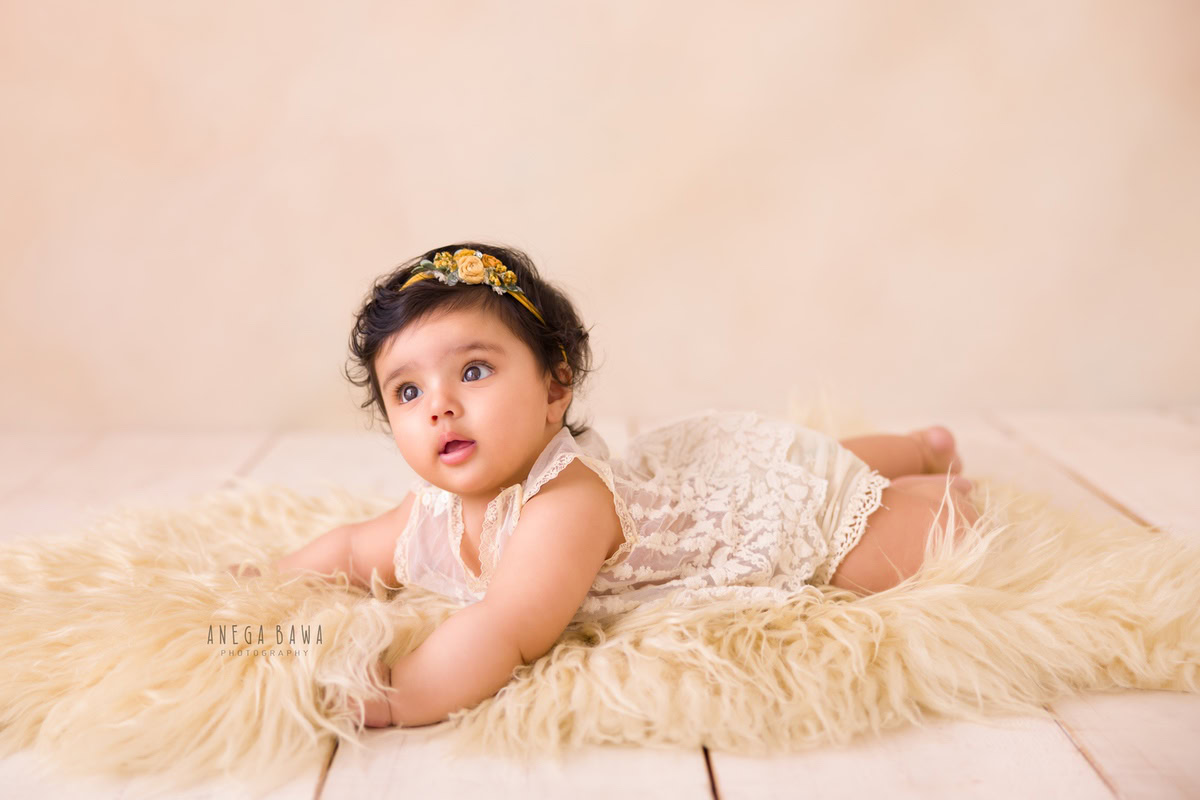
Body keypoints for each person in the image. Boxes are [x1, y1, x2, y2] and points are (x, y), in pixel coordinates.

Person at [233, 242, 979, 729]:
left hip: (749, 521)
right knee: (802, 455)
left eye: (473, 371)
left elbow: (507, 627)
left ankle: (934, 480)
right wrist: (275, 579)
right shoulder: (431, 510)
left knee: (857, 522)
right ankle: (917, 446)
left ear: (556, 387)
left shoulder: (565, 507)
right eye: (406, 392)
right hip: (686, 481)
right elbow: (355, 549)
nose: (440, 405)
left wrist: (402, 694)